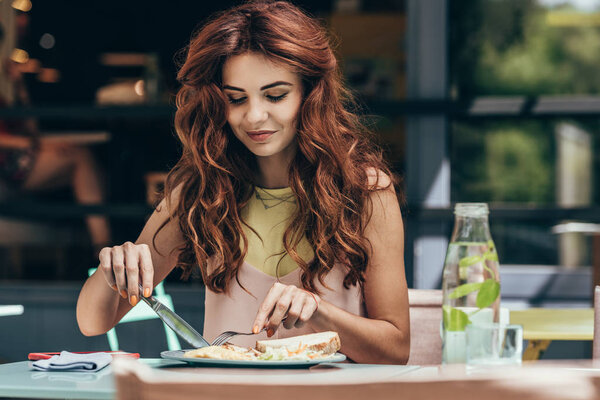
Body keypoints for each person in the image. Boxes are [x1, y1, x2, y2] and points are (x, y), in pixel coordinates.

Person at [76, 0, 409, 364]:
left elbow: (396, 350)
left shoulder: (364, 191)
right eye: (236, 99)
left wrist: (319, 312)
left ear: (310, 94)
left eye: (275, 95)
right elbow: (93, 322)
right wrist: (115, 268)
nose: (254, 116)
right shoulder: (201, 190)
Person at [0, 22, 111, 251]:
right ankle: (103, 249)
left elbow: (30, 128)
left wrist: (19, 83)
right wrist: (32, 145)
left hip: (15, 158)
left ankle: (102, 247)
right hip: (7, 164)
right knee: (80, 158)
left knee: (84, 159)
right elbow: (25, 139)